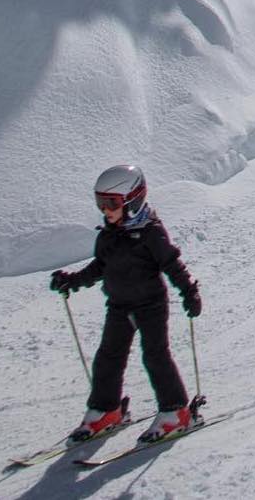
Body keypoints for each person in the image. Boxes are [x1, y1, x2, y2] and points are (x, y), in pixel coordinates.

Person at [50, 165, 204, 444]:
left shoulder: (151, 233)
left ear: (133, 200)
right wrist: (71, 281)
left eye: (111, 203)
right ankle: (106, 410)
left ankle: (175, 412)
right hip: (119, 307)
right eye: (101, 203)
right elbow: (99, 267)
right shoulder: (108, 235)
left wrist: (189, 291)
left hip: (150, 306)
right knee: (108, 358)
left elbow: (172, 264)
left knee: (155, 356)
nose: (105, 210)